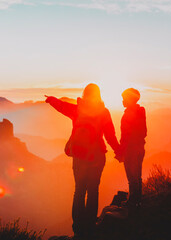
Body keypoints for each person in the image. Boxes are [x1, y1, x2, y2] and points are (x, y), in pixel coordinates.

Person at [45, 83, 120, 237]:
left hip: (79, 157)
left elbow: (62, 106)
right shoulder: (103, 112)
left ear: (85, 94)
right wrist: (119, 151)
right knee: (93, 191)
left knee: (79, 191)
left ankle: (78, 227)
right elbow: (110, 135)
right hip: (97, 156)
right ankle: (90, 225)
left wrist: (51, 99)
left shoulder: (77, 109)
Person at [115, 88, 147, 210]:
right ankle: (138, 200)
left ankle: (132, 202)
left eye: (124, 99)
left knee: (131, 176)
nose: (122, 101)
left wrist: (120, 152)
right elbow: (144, 132)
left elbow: (125, 137)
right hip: (140, 147)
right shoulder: (141, 112)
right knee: (137, 175)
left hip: (131, 149)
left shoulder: (129, 114)